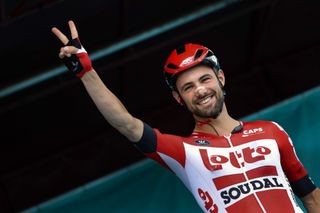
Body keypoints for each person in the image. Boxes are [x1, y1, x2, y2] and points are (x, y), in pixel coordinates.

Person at [51, 20, 320, 213]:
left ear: (221, 79)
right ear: (179, 99)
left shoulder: (271, 131)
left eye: (205, 79)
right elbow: (126, 123)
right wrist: (86, 73)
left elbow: (310, 196)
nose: (200, 90)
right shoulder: (184, 152)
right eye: (188, 87)